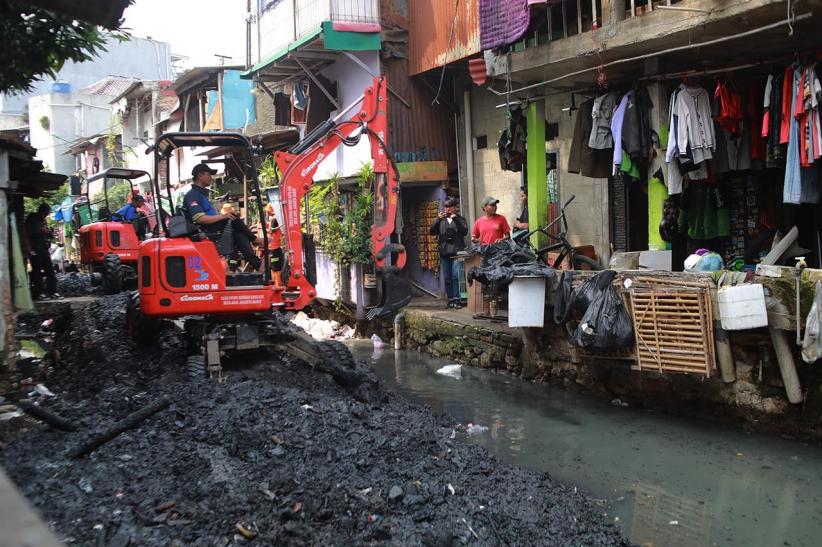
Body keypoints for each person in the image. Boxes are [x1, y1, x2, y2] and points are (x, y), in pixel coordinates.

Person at [182, 163, 262, 270]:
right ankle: (254, 240)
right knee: (232, 218)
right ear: (200, 176)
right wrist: (223, 216)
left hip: (212, 227)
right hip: (205, 230)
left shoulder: (201, 195)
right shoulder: (193, 195)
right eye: (209, 175)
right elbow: (200, 219)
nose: (211, 178)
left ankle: (256, 263)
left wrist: (221, 213)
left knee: (237, 233)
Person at [429, 197, 468, 308]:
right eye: (446, 206)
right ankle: (450, 299)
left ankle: (457, 299)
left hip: (457, 252)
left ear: (455, 207)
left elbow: (465, 231)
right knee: (447, 277)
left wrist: (455, 219)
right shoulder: (441, 220)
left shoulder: (460, 219)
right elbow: (431, 232)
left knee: (456, 276)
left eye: (450, 206)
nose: (447, 209)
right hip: (444, 252)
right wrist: (437, 220)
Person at [25, 202, 60, 299]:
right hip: (35, 249)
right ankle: (39, 293)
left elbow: (47, 234)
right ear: (41, 211)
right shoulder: (32, 219)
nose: (45, 216)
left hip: (44, 249)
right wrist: (40, 231)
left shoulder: (43, 220)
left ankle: (53, 292)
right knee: (37, 272)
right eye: (45, 213)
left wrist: (49, 233)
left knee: (50, 271)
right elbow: (28, 234)